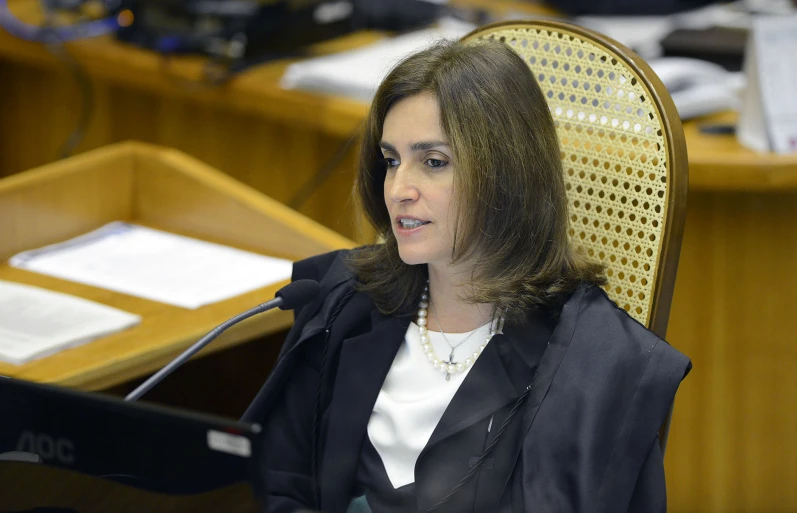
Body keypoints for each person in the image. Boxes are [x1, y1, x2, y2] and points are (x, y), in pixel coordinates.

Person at [243, 38, 691, 513]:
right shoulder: (342, 299)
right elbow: (281, 483)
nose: (398, 189)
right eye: (391, 160)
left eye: (433, 162)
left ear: (507, 174)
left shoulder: (597, 364)